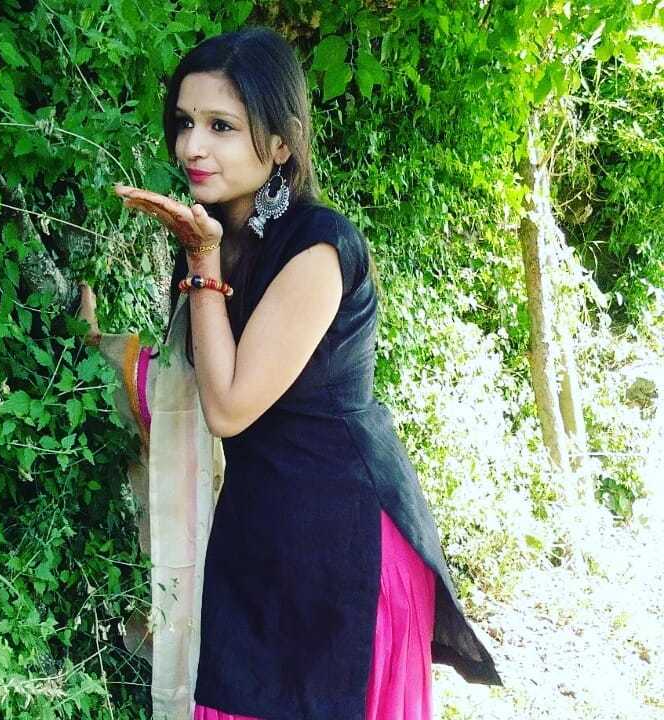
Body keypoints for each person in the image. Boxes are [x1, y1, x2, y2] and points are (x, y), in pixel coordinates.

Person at [83, 25, 503, 720]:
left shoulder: (318, 247)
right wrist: (97, 345)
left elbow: (228, 408)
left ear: (281, 144)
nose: (192, 146)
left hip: (341, 548)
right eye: (185, 122)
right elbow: (192, 382)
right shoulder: (220, 239)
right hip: (260, 535)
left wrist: (201, 263)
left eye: (221, 126)